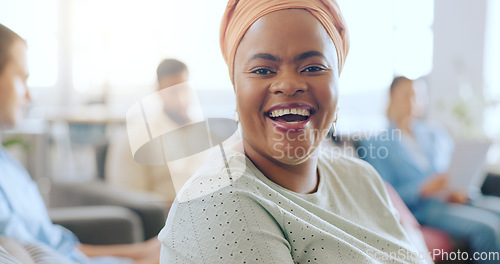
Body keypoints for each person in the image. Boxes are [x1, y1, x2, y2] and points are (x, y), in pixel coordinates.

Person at [158, 1, 430, 263]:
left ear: (337, 82)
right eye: (263, 70)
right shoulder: (217, 205)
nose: (288, 85)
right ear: (235, 86)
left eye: (313, 67)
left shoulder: (362, 178)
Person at [0, 23, 160, 264]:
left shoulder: (7, 163)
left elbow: (56, 247)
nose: (30, 96)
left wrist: (140, 253)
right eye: (22, 78)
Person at [360, 76, 500, 262]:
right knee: (487, 229)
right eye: (405, 96)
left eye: (416, 96)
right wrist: (423, 189)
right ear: (392, 98)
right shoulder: (376, 144)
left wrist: (458, 188)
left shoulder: (435, 133)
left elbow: (452, 168)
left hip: (453, 198)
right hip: (425, 208)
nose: (411, 102)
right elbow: (384, 195)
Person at [106, 58, 209, 202]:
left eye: (184, 89)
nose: (181, 99)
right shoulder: (137, 136)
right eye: (173, 91)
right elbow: (131, 199)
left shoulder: (204, 132)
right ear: (159, 91)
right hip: (166, 217)